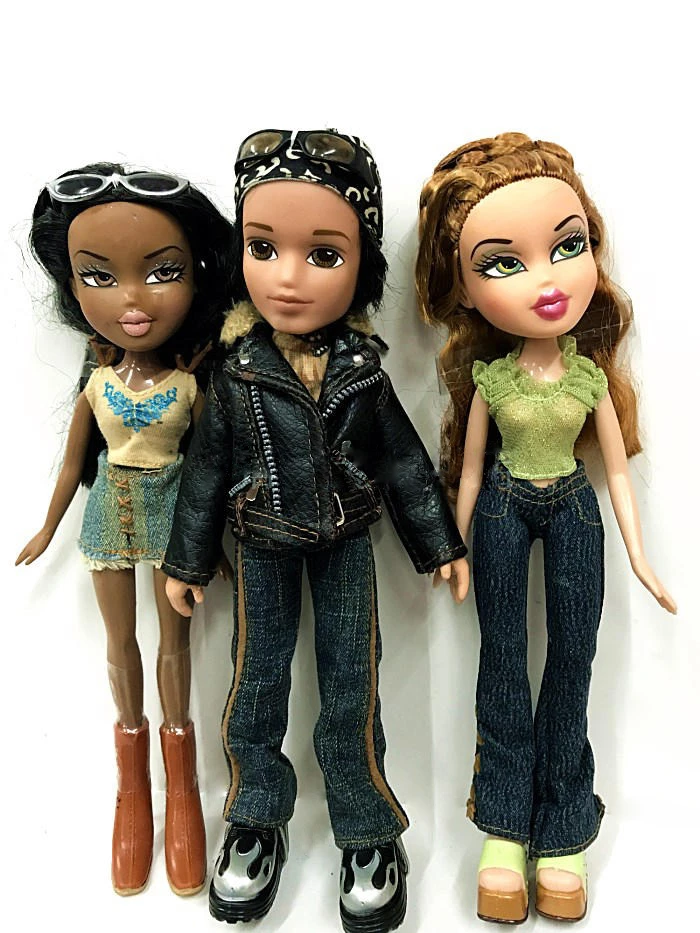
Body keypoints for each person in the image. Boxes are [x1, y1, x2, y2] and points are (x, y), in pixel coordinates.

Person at [163, 129, 469, 932]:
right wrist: (187, 559)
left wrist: (438, 544)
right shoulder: (237, 371)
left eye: (323, 254)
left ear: (361, 265)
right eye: (263, 248)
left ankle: (366, 829)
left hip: (346, 544)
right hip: (260, 542)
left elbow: (403, 461)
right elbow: (205, 470)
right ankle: (255, 816)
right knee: (255, 683)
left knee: (351, 689)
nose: (288, 277)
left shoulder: (363, 372)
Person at [416, 132, 676, 923]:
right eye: (503, 262)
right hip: (500, 506)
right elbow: (467, 472)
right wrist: (451, 546)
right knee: (501, 660)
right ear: (462, 289)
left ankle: (563, 829)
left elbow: (617, 473)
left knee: (572, 660)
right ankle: (503, 828)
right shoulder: (490, 380)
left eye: (568, 246)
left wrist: (640, 554)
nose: (547, 280)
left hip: (572, 508)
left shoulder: (590, 379)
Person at [16, 165, 235, 897]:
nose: (132, 301)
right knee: (120, 645)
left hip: (174, 518)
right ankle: (132, 789)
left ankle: (183, 790)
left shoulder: (190, 386)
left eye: (162, 272)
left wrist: (213, 544)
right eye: (99, 277)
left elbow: (208, 470)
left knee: (175, 646)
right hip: (108, 516)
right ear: (73, 290)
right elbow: (71, 466)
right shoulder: (96, 386)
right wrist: (47, 527)